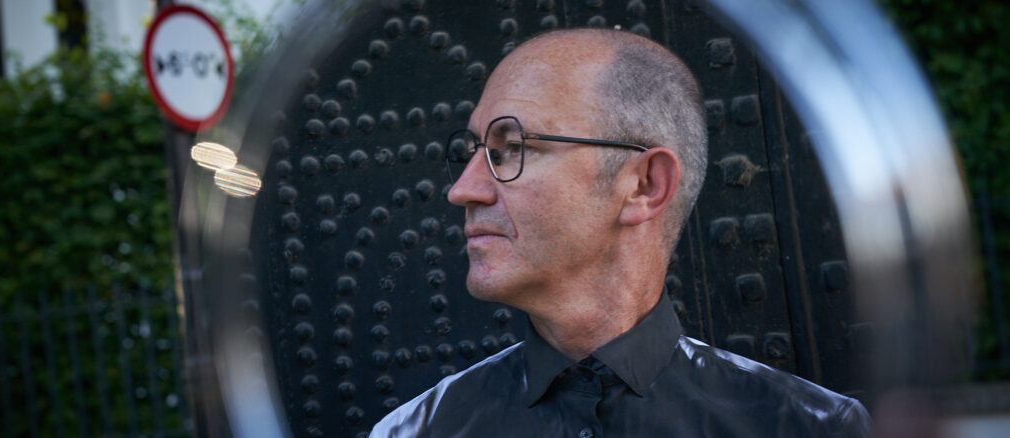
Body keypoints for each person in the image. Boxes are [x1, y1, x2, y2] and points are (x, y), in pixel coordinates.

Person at [370, 28, 871, 437]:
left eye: (513, 148)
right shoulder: (414, 432)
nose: (463, 189)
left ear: (644, 185)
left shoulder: (811, 427)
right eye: (472, 151)